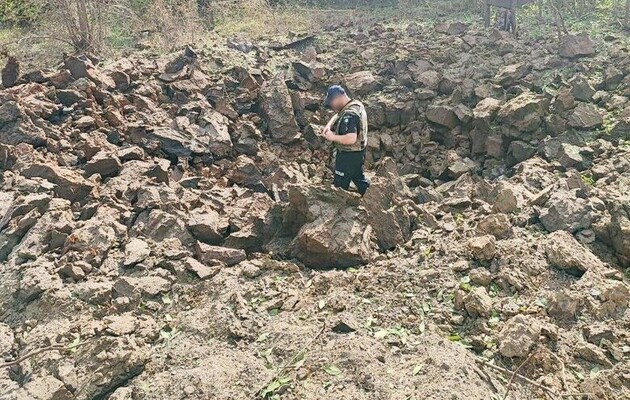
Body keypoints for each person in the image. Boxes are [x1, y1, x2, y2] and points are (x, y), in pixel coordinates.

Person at [320, 85, 370, 195]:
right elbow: (338, 114)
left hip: (348, 155)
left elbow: (351, 138)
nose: (331, 106)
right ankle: (372, 195)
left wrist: (332, 137)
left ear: (338, 98)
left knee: (339, 186)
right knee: (358, 177)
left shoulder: (349, 115)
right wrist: (329, 125)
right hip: (358, 153)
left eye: (331, 102)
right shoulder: (355, 104)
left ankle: (339, 203)